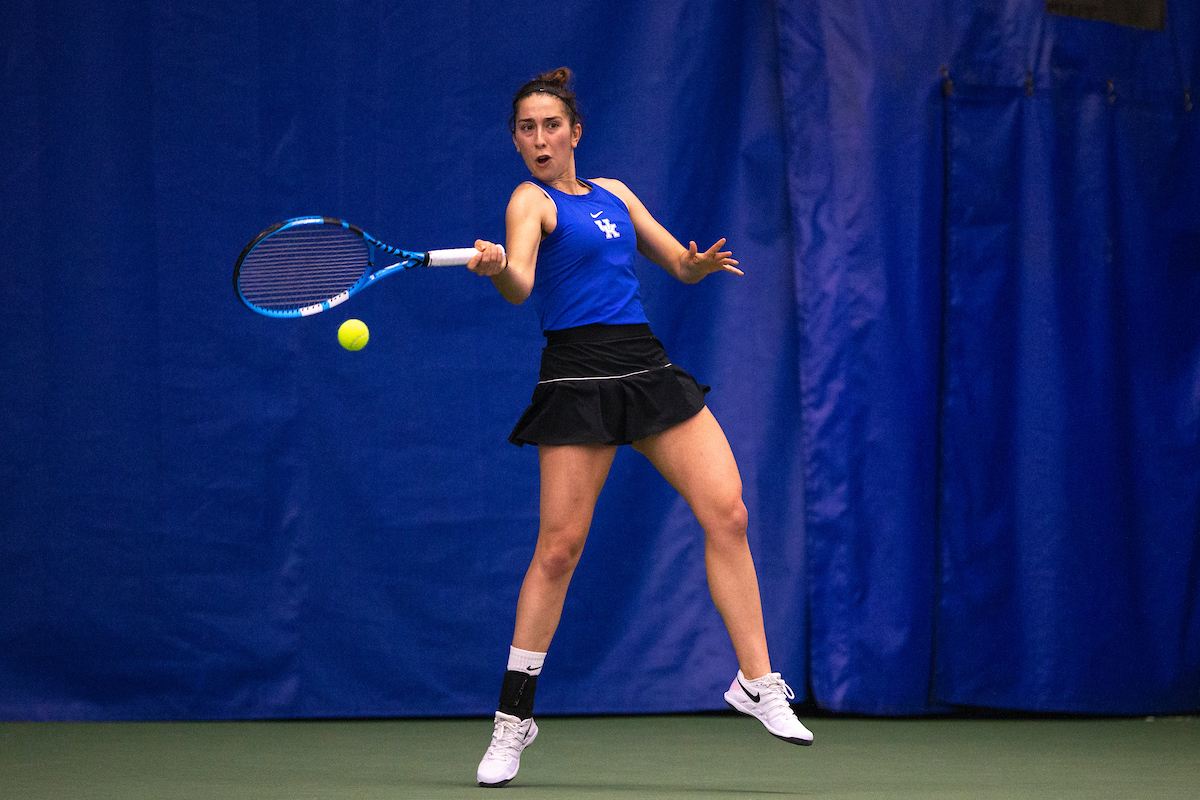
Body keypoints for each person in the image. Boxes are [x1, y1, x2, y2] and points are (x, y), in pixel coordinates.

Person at [465, 67, 813, 788]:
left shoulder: (616, 194)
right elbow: (522, 284)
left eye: (550, 125)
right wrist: (499, 267)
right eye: (526, 128)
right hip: (577, 374)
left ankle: (756, 682)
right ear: (516, 140)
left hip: (646, 367)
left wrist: (697, 263)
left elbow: (674, 264)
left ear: (575, 132)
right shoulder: (527, 202)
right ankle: (513, 719)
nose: (539, 138)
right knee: (558, 551)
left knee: (730, 512)